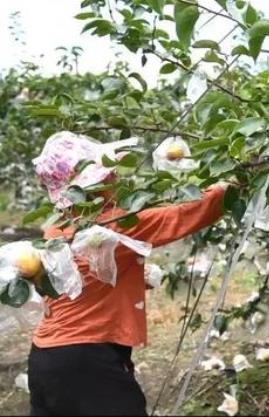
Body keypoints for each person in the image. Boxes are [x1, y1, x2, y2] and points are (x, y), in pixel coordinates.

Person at [28, 131, 230, 416]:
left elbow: (82, 280)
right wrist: (235, 183)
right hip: (85, 358)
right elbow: (187, 214)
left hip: (45, 358)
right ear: (95, 185)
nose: (114, 178)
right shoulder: (113, 226)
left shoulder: (57, 229)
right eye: (107, 175)